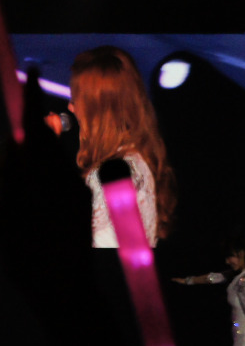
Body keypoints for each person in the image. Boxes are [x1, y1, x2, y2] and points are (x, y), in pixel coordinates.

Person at [52, 46, 176, 247]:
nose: (70, 107)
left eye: (76, 99)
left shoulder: (111, 175)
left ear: (97, 110)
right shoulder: (137, 158)